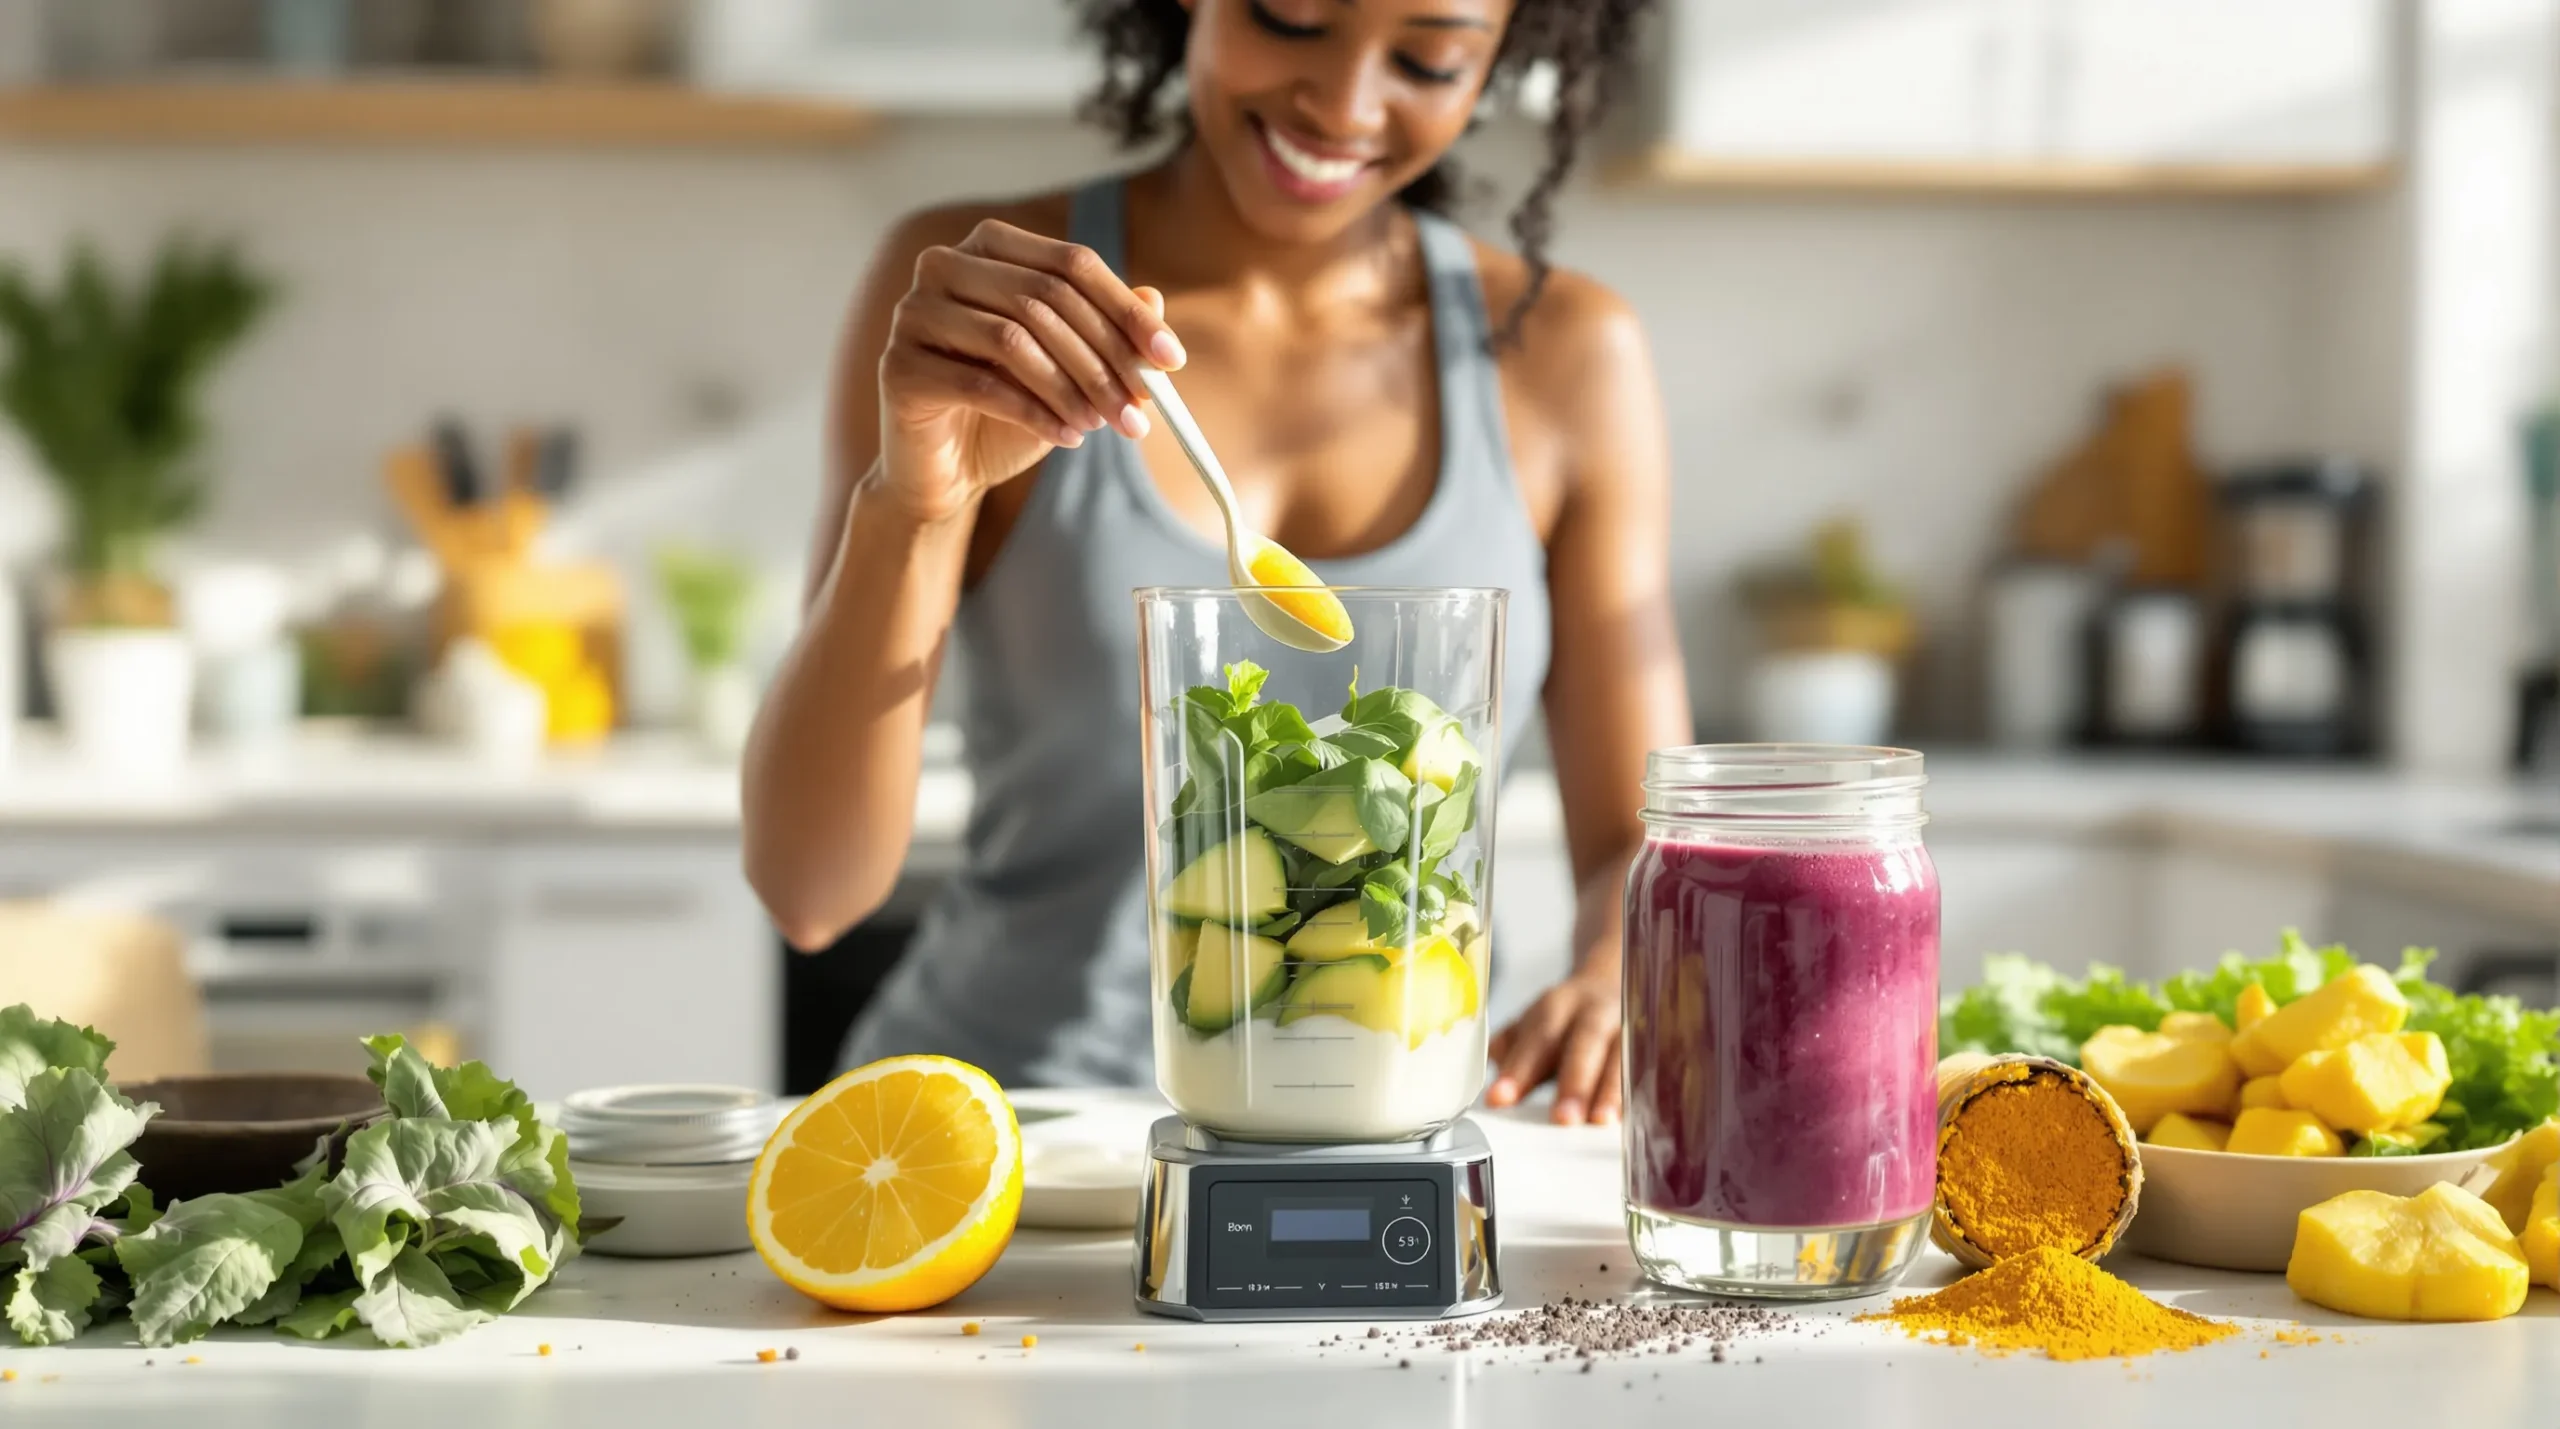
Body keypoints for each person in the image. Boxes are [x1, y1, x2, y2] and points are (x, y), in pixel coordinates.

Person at [743, 0, 1688, 1126]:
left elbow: (1645, 845)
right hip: (999, 1130)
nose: (1343, 104)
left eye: (1428, 58)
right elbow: (810, 892)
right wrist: (914, 500)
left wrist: (1618, 975)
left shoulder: (1569, 356)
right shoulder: (983, 321)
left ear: (1497, 59)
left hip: (1386, 1121)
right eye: (1291, 17)